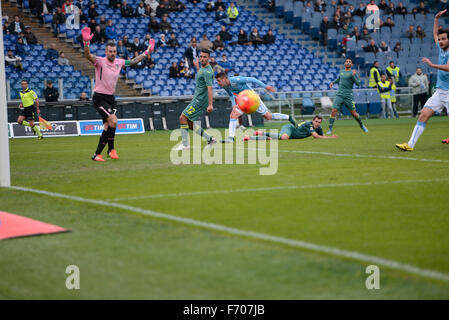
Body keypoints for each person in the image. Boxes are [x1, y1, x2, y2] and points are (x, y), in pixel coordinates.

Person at [82, 27, 155, 161]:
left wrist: (147, 51)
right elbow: (88, 56)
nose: (112, 53)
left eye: (114, 51)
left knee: (108, 126)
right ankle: (109, 150)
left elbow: (133, 61)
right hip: (99, 97)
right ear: (106, 52)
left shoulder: (119, 62)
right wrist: (86, 43)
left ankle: (100, 153)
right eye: (110, 51)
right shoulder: (99, 61)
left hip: (111, 98)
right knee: (114, 121)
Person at [396, 10, 449, 151]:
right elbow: (434, 34)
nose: (441, 41)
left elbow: (448, 67)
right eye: (440, 39)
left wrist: (432, 65)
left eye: (444, 39)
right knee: (423, 115)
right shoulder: (441, 48)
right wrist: (436, 19)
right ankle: (410, 145)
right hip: (440, 92)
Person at [215, 72, 290, 143]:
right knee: (233, 115)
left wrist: (265, 86)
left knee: (268, 116)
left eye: (219, 81)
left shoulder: (236, 80)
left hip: (253, 98)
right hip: (243, 100)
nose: (218, 83)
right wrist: (234, 105)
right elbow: (231, 96)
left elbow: (253, 79)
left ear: (224, 79)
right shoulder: (225, 86)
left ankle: (288, 117)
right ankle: (231, 138)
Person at [176, 50, 217, 150]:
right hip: (197, 98)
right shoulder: (203, 69)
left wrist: (210, 104)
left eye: (205, 57)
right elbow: (201, 78)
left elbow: (210, 88)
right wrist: (197, 66)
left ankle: (185, 145)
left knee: (182, 118)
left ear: (208, 58)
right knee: (189, 123)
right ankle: (210, 139)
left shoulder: (207, 71)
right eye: (201, 57)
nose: (202, 59)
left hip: (200, 100)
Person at [327, 58, 368, 134]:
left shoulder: (353, 73)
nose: (348, 62)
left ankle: (362, 125)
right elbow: (339, 79)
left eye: (349, 62)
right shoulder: (341, 72)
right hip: (339, 94)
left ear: (351, 64)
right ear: (345, 63)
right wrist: (333, 82)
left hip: (348, 96)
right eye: (347, 61)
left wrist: (354, 75)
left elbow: (358, 83)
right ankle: (330, 129)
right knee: (333, 111)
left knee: (354, 114)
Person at [244, 116, 337, 141]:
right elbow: (316, 136)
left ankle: (253, 136)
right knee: (284, 137)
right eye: (316, 121)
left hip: (293, 136)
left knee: (276, 139)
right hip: (290, 128)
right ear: (313, 121)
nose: (317, 123)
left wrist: (328, 137)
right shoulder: (310, 125)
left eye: (319, 122)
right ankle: (262, 134)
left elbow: (322, 136)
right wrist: (331, 138)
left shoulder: (318, 128)